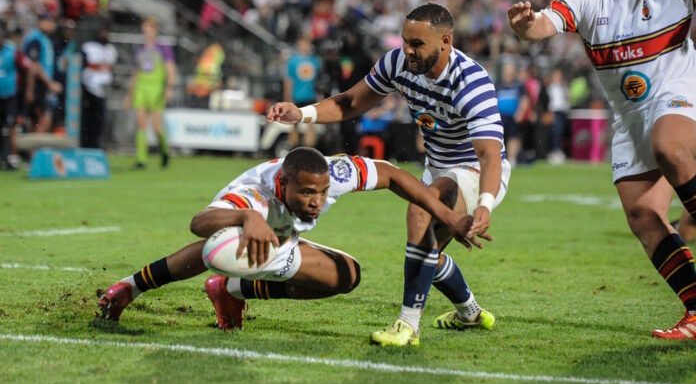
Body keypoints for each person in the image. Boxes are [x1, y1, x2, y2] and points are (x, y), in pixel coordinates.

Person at [267, 3, 510, 346]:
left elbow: (489, 154)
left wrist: (484, 203)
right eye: (405, 41)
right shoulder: (398, 63)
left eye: (417, 44)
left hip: (476, 170)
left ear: (445, 41)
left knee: (419, 214)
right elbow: (351, 103)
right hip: (437, 168)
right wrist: (302, 114)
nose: (408, 50)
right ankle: (469, 313)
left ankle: (408, 327)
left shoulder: (471, 82)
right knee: (426, 254)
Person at [98, 147, 477, 331]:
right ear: (283, 183)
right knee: (219, 246)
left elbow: (392, 174)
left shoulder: (330, 174)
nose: (317, 202)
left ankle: (230, 290)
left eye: (322, 193)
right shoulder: (254, 194)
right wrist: (246, 217)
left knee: (348, 276)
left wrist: (448, 216)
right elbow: (200, 223)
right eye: (307, 193)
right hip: (253, 234)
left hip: (281, 242)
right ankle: (130, 286)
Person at [508, 0, 696, 339]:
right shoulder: (587, 0)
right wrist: (527, 26)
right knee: (642, 214)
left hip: (679, 93)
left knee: (670, 147)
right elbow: (545, 23)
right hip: (629, 116)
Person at [0, 23, 61, 170]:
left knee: (13, 125)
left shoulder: (12, 51)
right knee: (37, 121)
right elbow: (33, 66)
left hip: (9, 94)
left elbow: (27, 67)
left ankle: (17, 157)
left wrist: (29, 89)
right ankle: (30, 156)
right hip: (33, 90)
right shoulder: (36, 40)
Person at [124, 17, 176, 169]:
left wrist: (169, 88)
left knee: (156, 126)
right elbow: (136, 73)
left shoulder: (163, 49)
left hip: (156, 89)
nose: (146, 33)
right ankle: (141, 159)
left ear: (155, 31)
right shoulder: (139, 49)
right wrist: (130, 94)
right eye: (144, 31)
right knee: (140, 124)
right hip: (141, 88)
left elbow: (170, 69)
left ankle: (164, 151)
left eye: (149, 30)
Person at [80, 19, 117, 148]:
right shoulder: (88, 47)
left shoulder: (111, 49)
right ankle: (85, 144)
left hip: (104, 89)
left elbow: (111, 69)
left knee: (99, 121)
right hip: (89, 88)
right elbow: (82, 67)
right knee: (87, 119)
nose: (104, 33)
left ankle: (95, 144)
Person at [22, 12, 57, 133]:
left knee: (37, 119)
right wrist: (31, 89)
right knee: (44, 117)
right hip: (36, 84)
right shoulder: (35, 39)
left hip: (41, 85)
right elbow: (33, 66)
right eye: (49, 21)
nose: (52, 25)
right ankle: (35, 145)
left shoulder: (44, 39)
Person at [284, 37, 321, 149]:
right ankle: (293, 148)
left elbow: (319, 81)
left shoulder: (315, 61)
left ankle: (309, 149)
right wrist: (287, 98)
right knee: (293, 124)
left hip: (310, 96)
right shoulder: (293, 62)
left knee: (311, 123)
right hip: (296, 97)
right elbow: (288, 81)